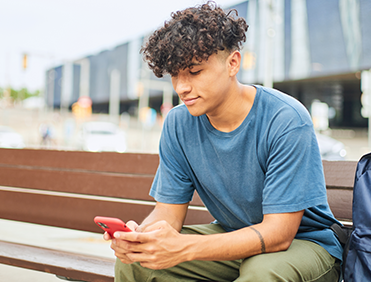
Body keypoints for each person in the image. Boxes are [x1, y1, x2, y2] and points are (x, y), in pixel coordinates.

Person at [105, 2, 343, 281]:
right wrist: (140, 240)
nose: (182, 87)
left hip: (305, 243)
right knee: (138, 263)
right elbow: (167, 214)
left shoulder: (285, 119)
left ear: (233, 63)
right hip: (233, 235)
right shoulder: (178, 123)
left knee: (260, 272)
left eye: (194, 72)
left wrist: (185, 248)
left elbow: (279, 234)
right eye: (175, 75)